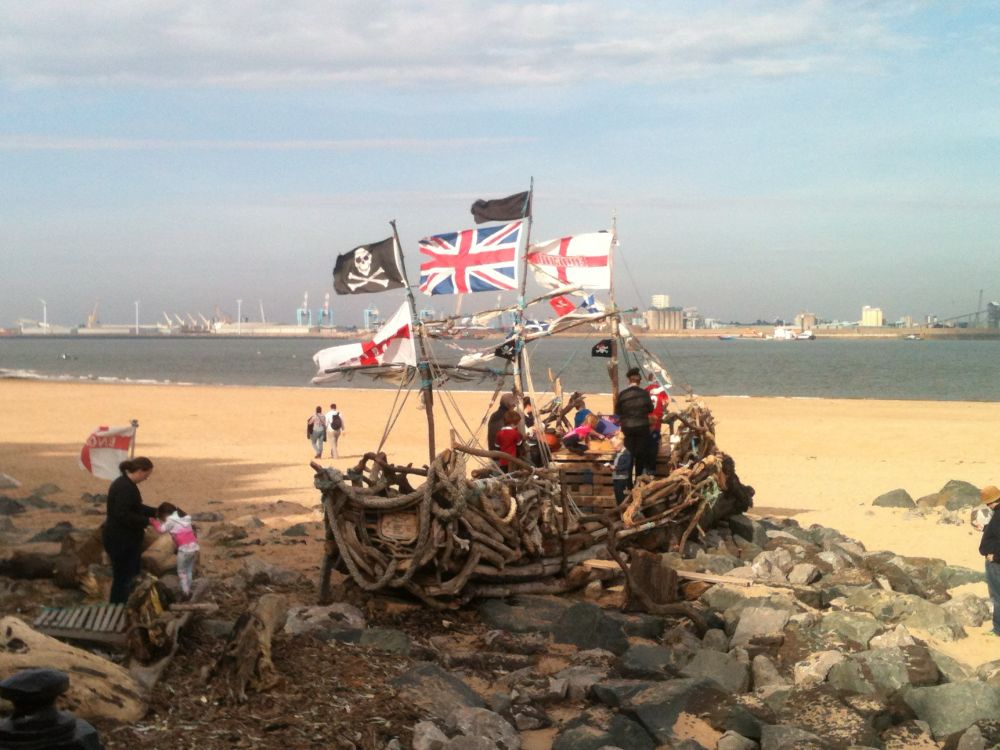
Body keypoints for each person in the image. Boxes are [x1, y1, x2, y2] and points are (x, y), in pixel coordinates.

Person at [103, 457, 158, 604]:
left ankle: (123, 606)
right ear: (140, 471)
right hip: (120, 541)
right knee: (123, 578)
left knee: (129, 576)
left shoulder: (126, 484)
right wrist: (148, 521)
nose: (146, 479)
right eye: (146, 475)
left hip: (126, 539)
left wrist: (157, 512)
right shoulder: (124, 487)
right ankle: (118, 608)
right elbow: (123, 514)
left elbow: (136, 507)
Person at [152, 502, 199, 598]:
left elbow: (161, 530)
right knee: (189, 570)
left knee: (181, 571)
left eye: (161, 518)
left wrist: (153, 521)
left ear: (165, 514)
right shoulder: (185, 518)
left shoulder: (171, 520)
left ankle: (186, 593)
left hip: (184, 550)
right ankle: (189, 588)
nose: (162, 520)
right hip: (194, 549)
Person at [615, 367, 654, 481]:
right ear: (639, 381)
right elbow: (650, 409)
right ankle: (638, 479)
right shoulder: (645, 394)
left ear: (629, 381)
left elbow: (618, 412)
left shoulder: (622, 394)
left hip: (627, 427)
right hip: (642, 427)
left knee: (629, 454)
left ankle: (628, 482)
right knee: (641, 454)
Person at [978, 485, 1000, 637]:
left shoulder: (998, 515)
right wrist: (986, 528)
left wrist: (997, 557)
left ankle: (998, 629)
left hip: (995, 562)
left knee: (997, 596)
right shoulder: (997, 514)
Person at [607, 432, 633, 505]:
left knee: (621, 496)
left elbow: (626, 466)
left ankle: (622, 511)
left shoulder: (627, 453)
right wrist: (611, 465)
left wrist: (616, 467)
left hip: (622, 478)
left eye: (616, 447)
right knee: (617, 495)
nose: (615, 449)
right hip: (616, 477)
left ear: (620, 445)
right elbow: (615, 462)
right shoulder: (617, 453)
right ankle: (619, 510)